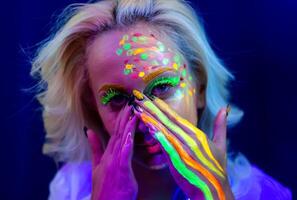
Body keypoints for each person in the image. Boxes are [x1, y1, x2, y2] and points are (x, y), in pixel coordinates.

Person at [31, 0, 292, 199]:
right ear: (93, 108)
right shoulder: (73, 189)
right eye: (117, 99)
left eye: (163, 87)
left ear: (199, 88)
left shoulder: (261, 193)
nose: (145, 118)